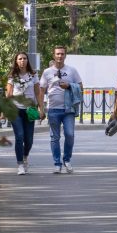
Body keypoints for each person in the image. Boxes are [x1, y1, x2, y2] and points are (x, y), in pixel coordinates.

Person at [39, 46, 83, 174]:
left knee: (70, 135)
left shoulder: (72, 71)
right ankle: (57, 163)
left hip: (68, 109)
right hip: (53, 109)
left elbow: (80, 87)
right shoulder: (47, 72)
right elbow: (41, 91)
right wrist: (41, 108)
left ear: (65, 55)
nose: (60, 56)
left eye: (62, 54)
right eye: (57, 54)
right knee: (55, 137)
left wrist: (69, 85)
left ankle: (67, 159)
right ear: (53, 55)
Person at [5, 52, 42, 175]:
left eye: (24, 58)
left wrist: (41, 109)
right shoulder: (12, 76)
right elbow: (9, 94)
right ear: (16, 61)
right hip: (15, 109)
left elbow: (38, 93)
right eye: (20, 59)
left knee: (29, 139)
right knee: (19, 136)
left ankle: (25, 156)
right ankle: (20, 164)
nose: (22, 61)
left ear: (27, 61)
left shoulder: (33, 75)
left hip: (30, 109)